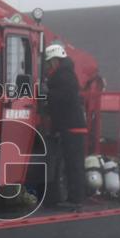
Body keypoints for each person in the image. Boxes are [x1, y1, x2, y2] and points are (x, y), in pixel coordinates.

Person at [44, 43, 88, 210]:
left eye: (49, 63)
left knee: (74, 164)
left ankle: (76, 199)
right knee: (71, 163)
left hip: (72, 127)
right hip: (70, 126)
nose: (48, 67)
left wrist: (47, 94)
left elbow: (64, 98)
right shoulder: (64, 75)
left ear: (55, 61)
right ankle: (74, 197)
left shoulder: (64, 76)